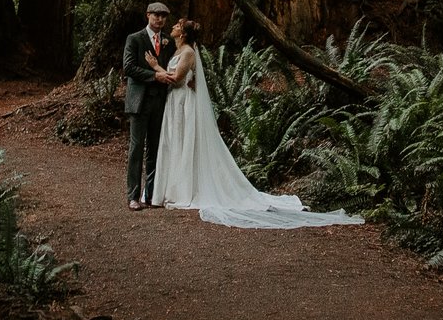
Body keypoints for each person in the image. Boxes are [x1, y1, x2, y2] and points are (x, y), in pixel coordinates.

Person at [152, 19, 362, 229]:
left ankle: (182, 189)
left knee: (183, 139)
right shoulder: (181, 50)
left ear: (184, 34)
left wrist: (155, 68)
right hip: (177, 101)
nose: (173, 27)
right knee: (178, 140)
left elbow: (178, 78)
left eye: (177, 26)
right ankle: (178, 186)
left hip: (182, 101)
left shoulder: (188, 51)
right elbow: (184, 77)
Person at [120, 2, 179, 210]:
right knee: (136, 148)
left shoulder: (169, 42)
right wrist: (155, 75)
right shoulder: (134, 39)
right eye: (156, 15)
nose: (160, 19)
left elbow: (173, 66)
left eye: (163, 16)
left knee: (155, 149)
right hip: (139, 100)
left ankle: (151, 194)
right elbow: (128, 68)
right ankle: (133, 196)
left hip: (161, 101)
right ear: (148, 15)